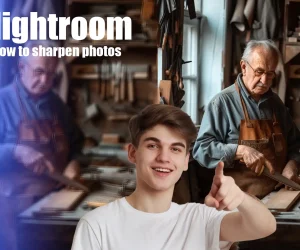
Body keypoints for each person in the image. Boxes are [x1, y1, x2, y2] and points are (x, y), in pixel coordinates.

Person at [71, 104, 276, 250]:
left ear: (186, 160)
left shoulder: (199, 219)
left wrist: (239, 198)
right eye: (153, 145)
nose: (164, 158)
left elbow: (265, 226)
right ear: (133, 153)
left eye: (175, 149)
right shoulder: (97, 225)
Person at [0, 40, 84, 250]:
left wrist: (74, 163)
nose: (45, 80)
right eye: (39, 72)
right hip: (14, 209)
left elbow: (77, 143)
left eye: (50, 73)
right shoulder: (3, 102)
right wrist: (15, 151)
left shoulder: (57, 106)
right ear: (21, 67)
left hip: (56, 203)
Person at [193, 40, 300, 198]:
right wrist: (239, 150)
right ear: (244, 67)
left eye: (270, 74)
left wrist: (292, 165)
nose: (264, 81)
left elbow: (295, 144)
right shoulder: (222, 103)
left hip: (277, 196)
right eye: (259, 72)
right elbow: (201, 149)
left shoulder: (275, 104)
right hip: (237, 201)